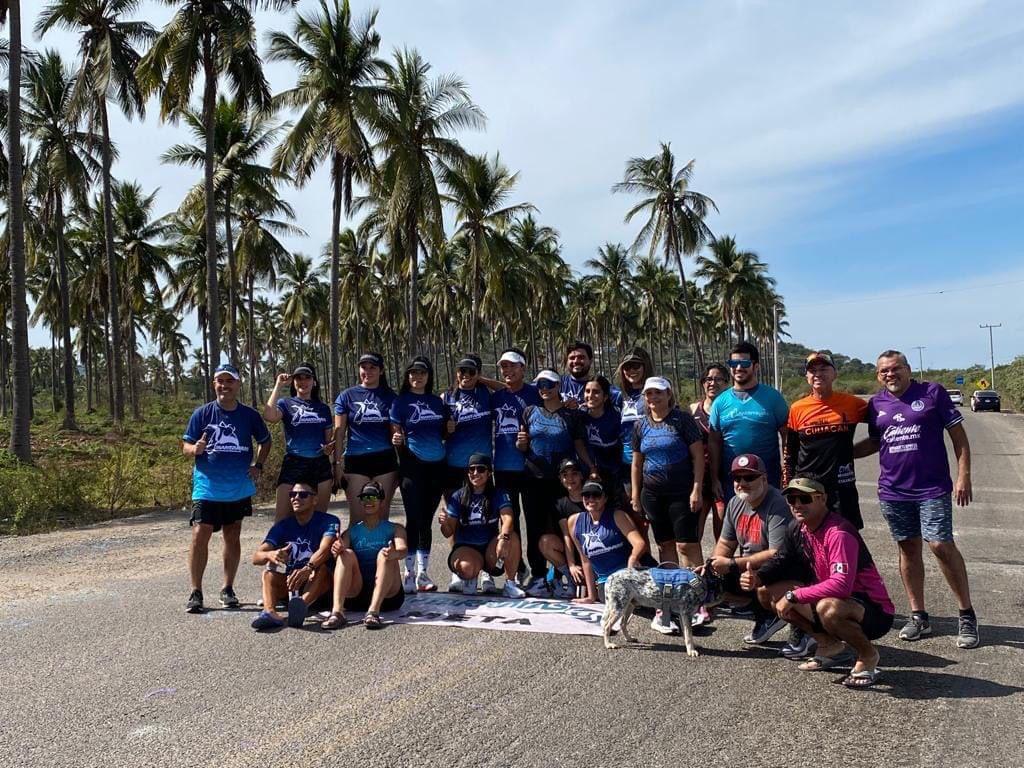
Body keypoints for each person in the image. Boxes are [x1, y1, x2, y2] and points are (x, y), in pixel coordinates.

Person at [854, 350, 979, 649]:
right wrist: (841, 453)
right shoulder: (877, 404)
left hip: (932, 488)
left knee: (939, 544)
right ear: (878, 376)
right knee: (908, 549)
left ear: (908, 369)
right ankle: (918, 615)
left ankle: (966, 614)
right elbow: (875, 440)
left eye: (895, 368)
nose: (890, 374)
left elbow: (959, 439)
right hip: (893, 491)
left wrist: (964, 476)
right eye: (883, 371)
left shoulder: (932, 393)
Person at [743, 476, 895, 689]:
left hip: (873, 610)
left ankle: (868, 655)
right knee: (765, 592)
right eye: (792, 499)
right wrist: (757, 577)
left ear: (822, 499)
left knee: (828, 608)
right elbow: (781, 559)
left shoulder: (839, 533)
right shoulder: (797, 528)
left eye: (804, 499)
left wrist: (794, 596)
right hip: (832, 598)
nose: (797, 505)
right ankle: (828, 645)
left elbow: (841, 585)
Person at [182, 363, 271, 613]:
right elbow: (186, 445)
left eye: (229, 381)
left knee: (232, 535)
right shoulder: (202, 414)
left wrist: (259, 465)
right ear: (214, 384)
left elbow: (266, 441)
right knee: (201, 533)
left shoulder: (249, 415)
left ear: (237, 384)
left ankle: (227, 588)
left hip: (237, 488)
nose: (224, 385)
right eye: (220, 381)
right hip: (207, 486)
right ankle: (196, 592)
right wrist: (194, 449)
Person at [630, 376, 705, 634]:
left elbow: (698, 456)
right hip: (653, 494)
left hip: (681, 492)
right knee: (665, 546)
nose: (654, 398)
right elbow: (637, 463)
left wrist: (697, 489)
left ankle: (697, 598)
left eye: (658, 393)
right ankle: (670, 597)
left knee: (687, 544)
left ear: (668, 395)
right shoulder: (640, 425)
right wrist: (636, 494)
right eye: (649, 394)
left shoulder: (682, 420)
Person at [517, 369, 599, 596]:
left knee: (562, 528)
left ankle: (566, 575)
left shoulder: (571, 415)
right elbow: (524, 446)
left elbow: (579, 444)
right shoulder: (529, 411)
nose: (544, 389)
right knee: (534, 527)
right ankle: (538, 575)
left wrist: (591, 467)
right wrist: (521, 444)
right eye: (540, 385)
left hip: (561, 481)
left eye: (549, 385)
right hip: (533, 478)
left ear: (558, 387)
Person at [707, 454, 794, 646]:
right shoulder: (735, 503)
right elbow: (725, 543)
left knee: (757, 582)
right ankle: (761, 612)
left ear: (763, 479)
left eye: (749, 477)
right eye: (737, 478)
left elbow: (776, 553)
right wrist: (711, 566)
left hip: (781, 567)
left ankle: (789, 621)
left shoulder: (777, 503)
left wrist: (730, 564)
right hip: (750, 565)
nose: (742, 483)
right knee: (713, 582)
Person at [784, 351, 868, 529]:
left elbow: (884, 422)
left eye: (823, 369)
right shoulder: (797, 408)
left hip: (841, 485)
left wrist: (855, 451)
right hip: (807, 485)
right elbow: (790, 451)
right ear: (807, 376)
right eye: (812, 370)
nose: (818, 374)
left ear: (834, 374)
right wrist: (789, 483)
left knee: (845, 535)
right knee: (809, 538)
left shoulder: (853, 404)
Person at [390, 356, 451, 594]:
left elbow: (444, 432)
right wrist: (397, 441)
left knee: (426, 519)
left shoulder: (438, 402)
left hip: (437, 465)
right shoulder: (400, 402)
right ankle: (409, 573)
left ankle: (423, 573)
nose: (417, 377)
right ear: (408, 376)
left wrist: (449, 429)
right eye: (413, 373)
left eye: (422, 373)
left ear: (428, 376)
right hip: (412, 465)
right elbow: (396, 434)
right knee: (413, 518)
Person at [250, 482, 339, 630]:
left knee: (322, 569)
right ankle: (270, 612)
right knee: (268, 574)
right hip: (292, 585)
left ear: (315, 500)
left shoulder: (329, 521)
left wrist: (308, 568)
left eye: (303, 495)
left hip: (318, 587)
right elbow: (256, 557)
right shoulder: (282, 526)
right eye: (292, 495)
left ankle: (301, 606)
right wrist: (271, 554)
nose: (296, 498)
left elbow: (325, 550)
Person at [321, 482, 407, 630]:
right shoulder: (351, 532)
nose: (368, 502)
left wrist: (395, 553)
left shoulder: (395, 529)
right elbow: (339, 556)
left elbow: (403, 550)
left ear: (381, 502)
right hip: (357, 594)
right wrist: (336, 550)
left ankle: (373, 612)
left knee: (385, 554)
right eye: (365, 498)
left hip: (388, 596)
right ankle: (337, 612)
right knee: (345, 554)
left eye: (373, 497)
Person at [439, 454, 527, 598]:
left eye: (480, 469)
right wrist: (445, 522)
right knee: (467, 568)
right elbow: (448, 532)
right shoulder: (458, 496)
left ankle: (510, 584)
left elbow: (508, 517)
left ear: (489, 473)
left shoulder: (498, 493)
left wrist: (504, 538)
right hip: (466, 546)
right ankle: (470, 577)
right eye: (471, 469)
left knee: (513, 538)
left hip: (489, 548)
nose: (475, 473)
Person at [709, 341, 789, 499]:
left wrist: (787, 472)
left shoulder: (773, 398)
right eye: (734, 363)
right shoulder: (720, 402)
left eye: (744, 363)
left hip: (768, 480)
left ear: (756, 366)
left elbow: (787, 437)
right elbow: (713, 443)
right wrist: (714, 479)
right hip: (733, 482)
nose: (738, 368)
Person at [490, 348, 541, 580]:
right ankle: (518, 568)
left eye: (512, 366)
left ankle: (539, 572)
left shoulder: (535, 393)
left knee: (534, 521)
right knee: (510, 522)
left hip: (530, 467)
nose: (508, 370)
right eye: (504, 367)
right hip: (502, 468)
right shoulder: (497, 397)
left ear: (523, 368)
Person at [263, 363, 335, 520]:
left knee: (318, 519)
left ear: (314, 382)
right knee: (282, 519)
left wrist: (330, 449)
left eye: (307, 378)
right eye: (298, 378)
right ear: (293, 382)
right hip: (293, 463)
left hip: (320, 465)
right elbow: (269, 416)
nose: (303, 382)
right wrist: (278, 385)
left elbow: (329, 441)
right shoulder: (286, 404)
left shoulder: (323, 408)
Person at [333, 353, 398, 525]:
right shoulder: (347, 396)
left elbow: (395, 433)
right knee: (358, 517)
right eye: (364, 367)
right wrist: (337, 464)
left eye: (373, 367)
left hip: (385, 460)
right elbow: (339, 432)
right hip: (356, 461)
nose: (367, 371)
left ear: (381, 371)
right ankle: (353, 552)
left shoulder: (390, 397)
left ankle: (382, 553)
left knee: (382, 517)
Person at [568, 480, 647, 604]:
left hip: (628, 573)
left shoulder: (618, 516)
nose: (591, 499)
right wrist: (591, 596)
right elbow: (585, 560)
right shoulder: (574, 522)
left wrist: (633, 557)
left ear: (605, 498)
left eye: (596, 495)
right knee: (616, 601)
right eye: (586, 495)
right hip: (606, 581)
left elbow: (639, 543)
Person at [443, 355, 493, 498]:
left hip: (481, 465)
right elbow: (440, 434)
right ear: (456, 372)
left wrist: (480, 379)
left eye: (471, 371)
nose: (466, 375)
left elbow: (508, 389)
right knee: (455, 512)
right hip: (455, 464)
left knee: (483, 511)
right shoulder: (446, 397)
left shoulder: (486, 393)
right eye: (462, 370)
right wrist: (447, 430)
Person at [690, 362, 730, 542]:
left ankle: (719, 566)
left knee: (721, 524)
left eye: (718, 379)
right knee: (694, 532)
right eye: (708, 379)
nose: (712, 383)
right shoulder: (692, 409)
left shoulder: (730, 409)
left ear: (726, 383)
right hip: (699, 476)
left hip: (724, 474)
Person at [581, 376, 623, 492]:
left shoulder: (616, 416)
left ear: (605, 397)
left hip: (614, 472)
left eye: (596, 392)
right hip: (589, 471)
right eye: (587, 391)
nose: (590, 396)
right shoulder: (580, 415)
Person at [559, 340, 622, 409]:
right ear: (566, 361)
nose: (576, 361)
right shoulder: (558, 384)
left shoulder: (603, 386)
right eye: (572, 358)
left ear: (590, 360)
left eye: (581, 357)